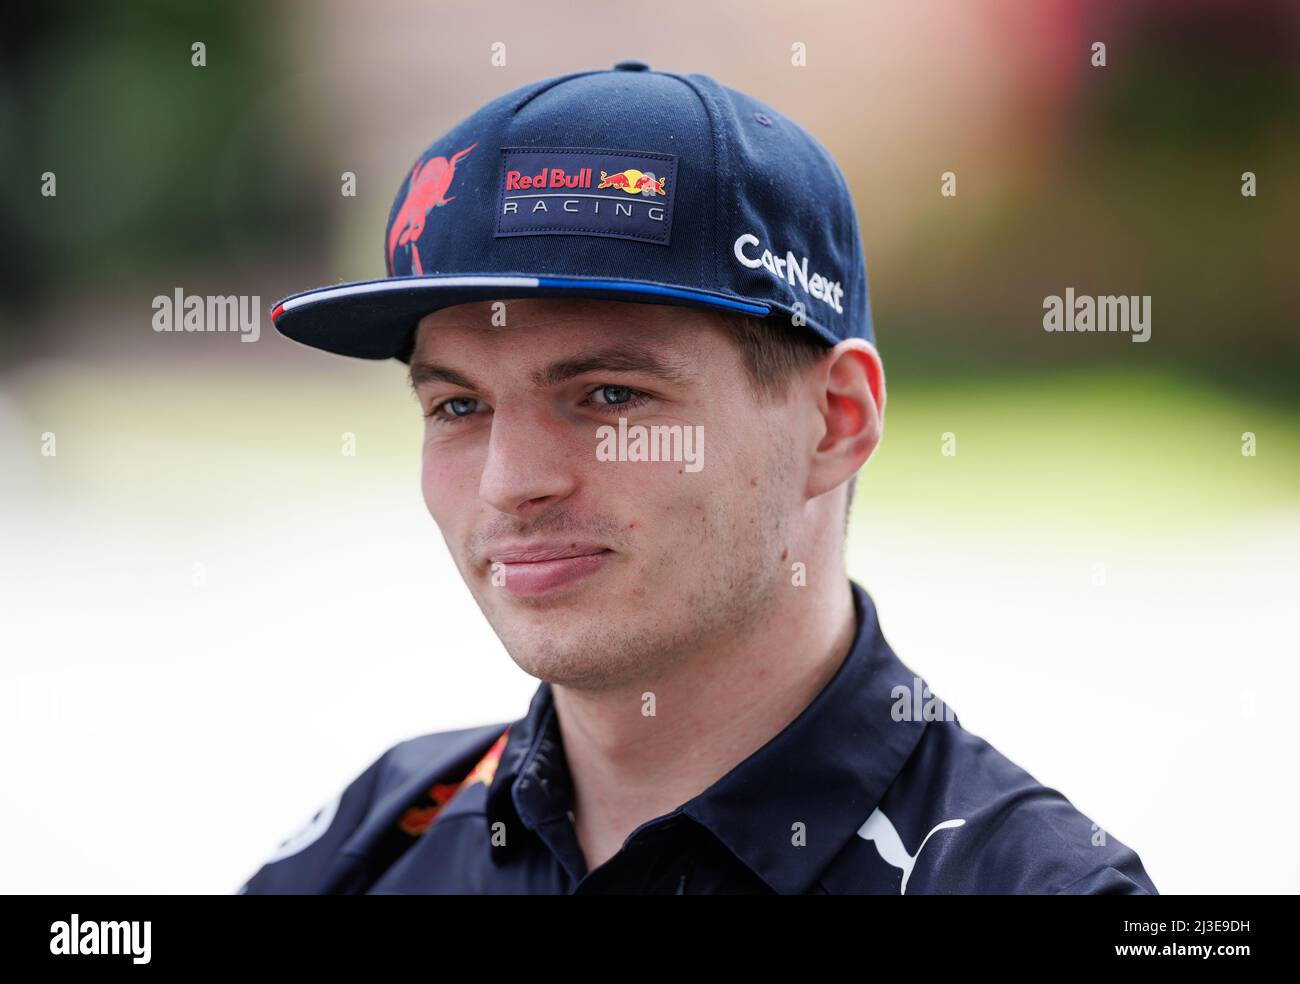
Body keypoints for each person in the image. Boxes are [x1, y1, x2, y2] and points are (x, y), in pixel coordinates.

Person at [239, 61, 1157, 894]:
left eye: (608, 393)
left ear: (835, 421)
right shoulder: (371, 848)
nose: (508, 485)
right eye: (458, 407)